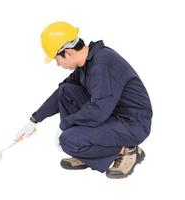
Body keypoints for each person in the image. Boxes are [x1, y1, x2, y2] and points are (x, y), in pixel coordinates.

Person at [15, 21, 153, 179]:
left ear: (68, 52)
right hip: (112, 113)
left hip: (131, 123)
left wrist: (65, 125)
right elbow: (61, 92)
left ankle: (127, 149)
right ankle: (91, 154)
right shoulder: (87, 63)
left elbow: (99, 111)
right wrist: (34, 120)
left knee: (68, 140)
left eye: (56, 59)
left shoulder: (102, 64)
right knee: (66, 91)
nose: (58, 64)